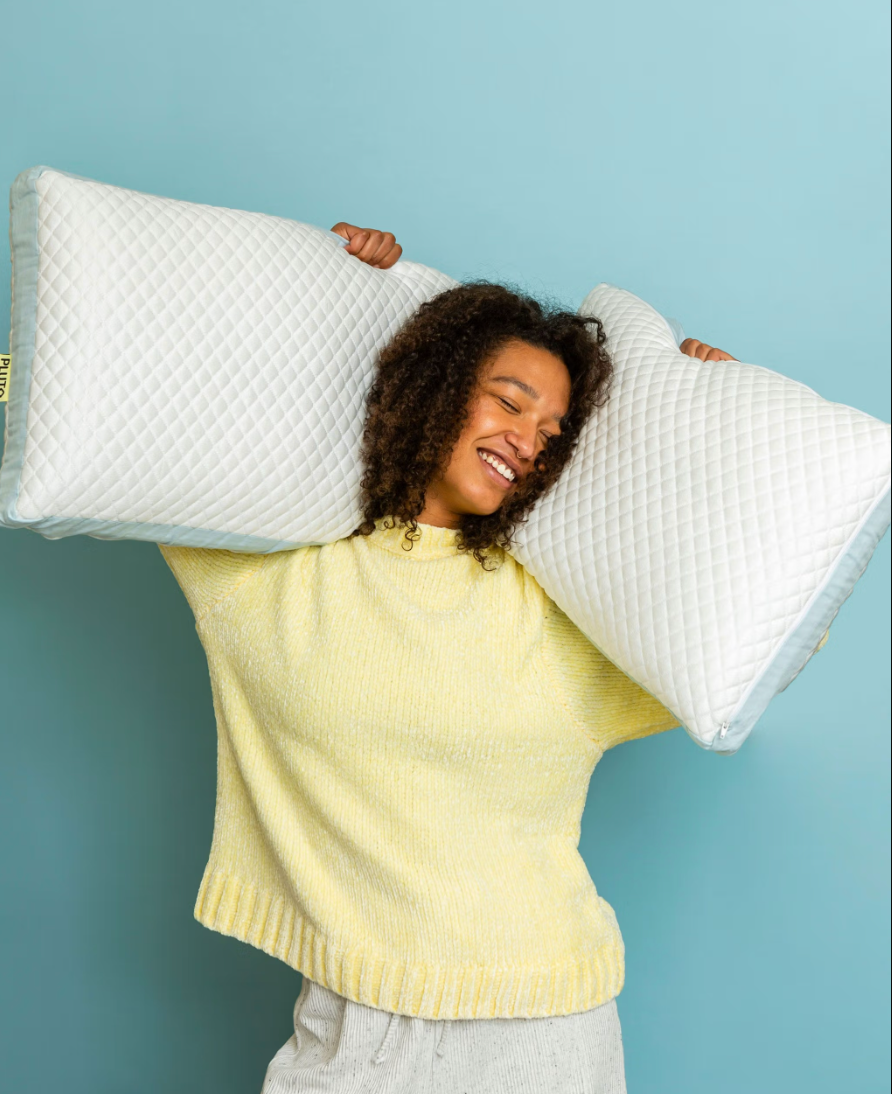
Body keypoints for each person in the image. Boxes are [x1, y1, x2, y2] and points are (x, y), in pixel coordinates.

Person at [159, 222, 736, 1094]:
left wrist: (718, 434)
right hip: (347, 1029)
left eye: (552, 429)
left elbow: (753, 637)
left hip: (545, 1034)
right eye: (507, 401)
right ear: (436, 382)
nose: (527, 438)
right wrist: (318, 287)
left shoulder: (557, 615)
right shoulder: (264, 576)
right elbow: (34, 396)